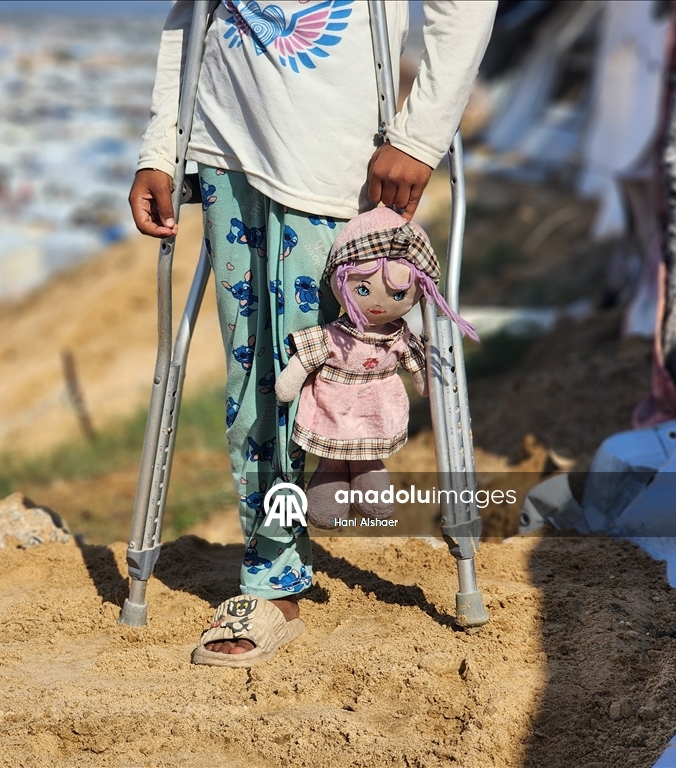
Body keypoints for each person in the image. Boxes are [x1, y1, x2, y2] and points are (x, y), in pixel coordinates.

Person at [129, 0, 497, 666]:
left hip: (338, 159)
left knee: (325, 377)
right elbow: (192, 13)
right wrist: (162, 143)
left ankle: (304, 544)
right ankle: (271, 578)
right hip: (222, 144)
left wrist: (421, 135)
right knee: (257, 387)